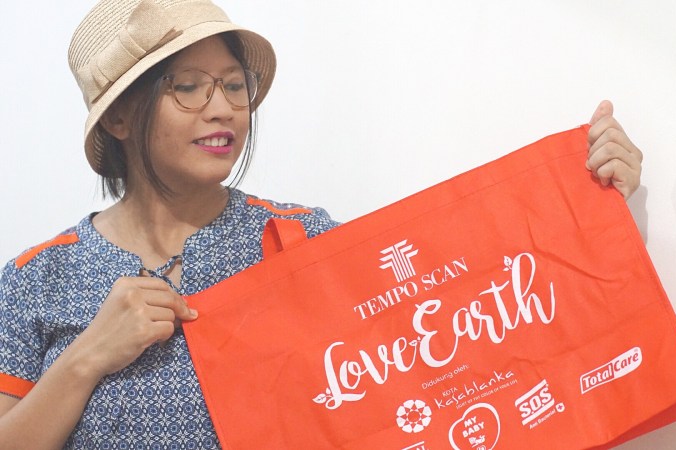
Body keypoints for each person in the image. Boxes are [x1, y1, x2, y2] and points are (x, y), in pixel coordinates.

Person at [0, 0, 642, 448]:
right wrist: (86, 358)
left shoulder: (305, 241)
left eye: (233, 84)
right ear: (119, 118)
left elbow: (470, 318)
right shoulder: (38, 280)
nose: (222, 109)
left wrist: (589, 197)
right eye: (188, 87)